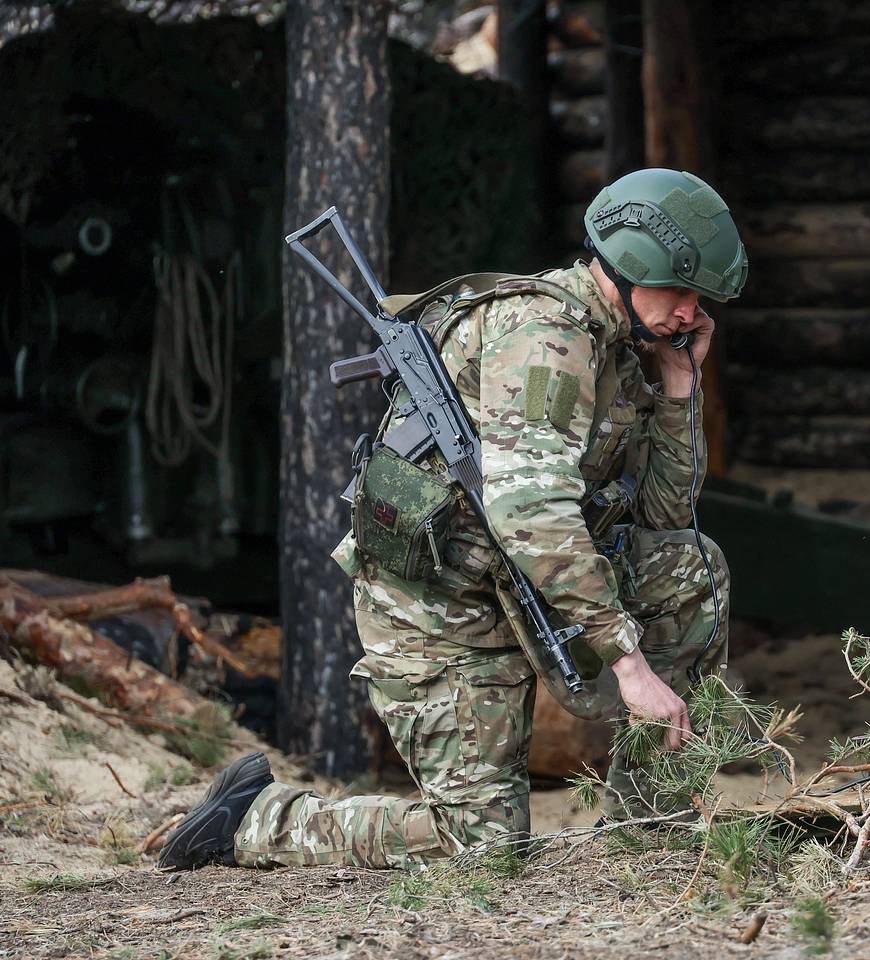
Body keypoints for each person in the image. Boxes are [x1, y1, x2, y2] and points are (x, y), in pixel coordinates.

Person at [158, 168, 749, 871]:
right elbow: (531, 512)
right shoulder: (547, 334)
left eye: (699, 299)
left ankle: (649, 826)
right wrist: (629, 663)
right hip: (437, 605)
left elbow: (665, 519)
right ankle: (259, 820)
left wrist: (680, 389)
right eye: (680, 291)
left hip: (516, 582)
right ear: (631, 265)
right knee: (484, 847)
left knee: (690, 567)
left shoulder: (625, 347)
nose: (691, 312)